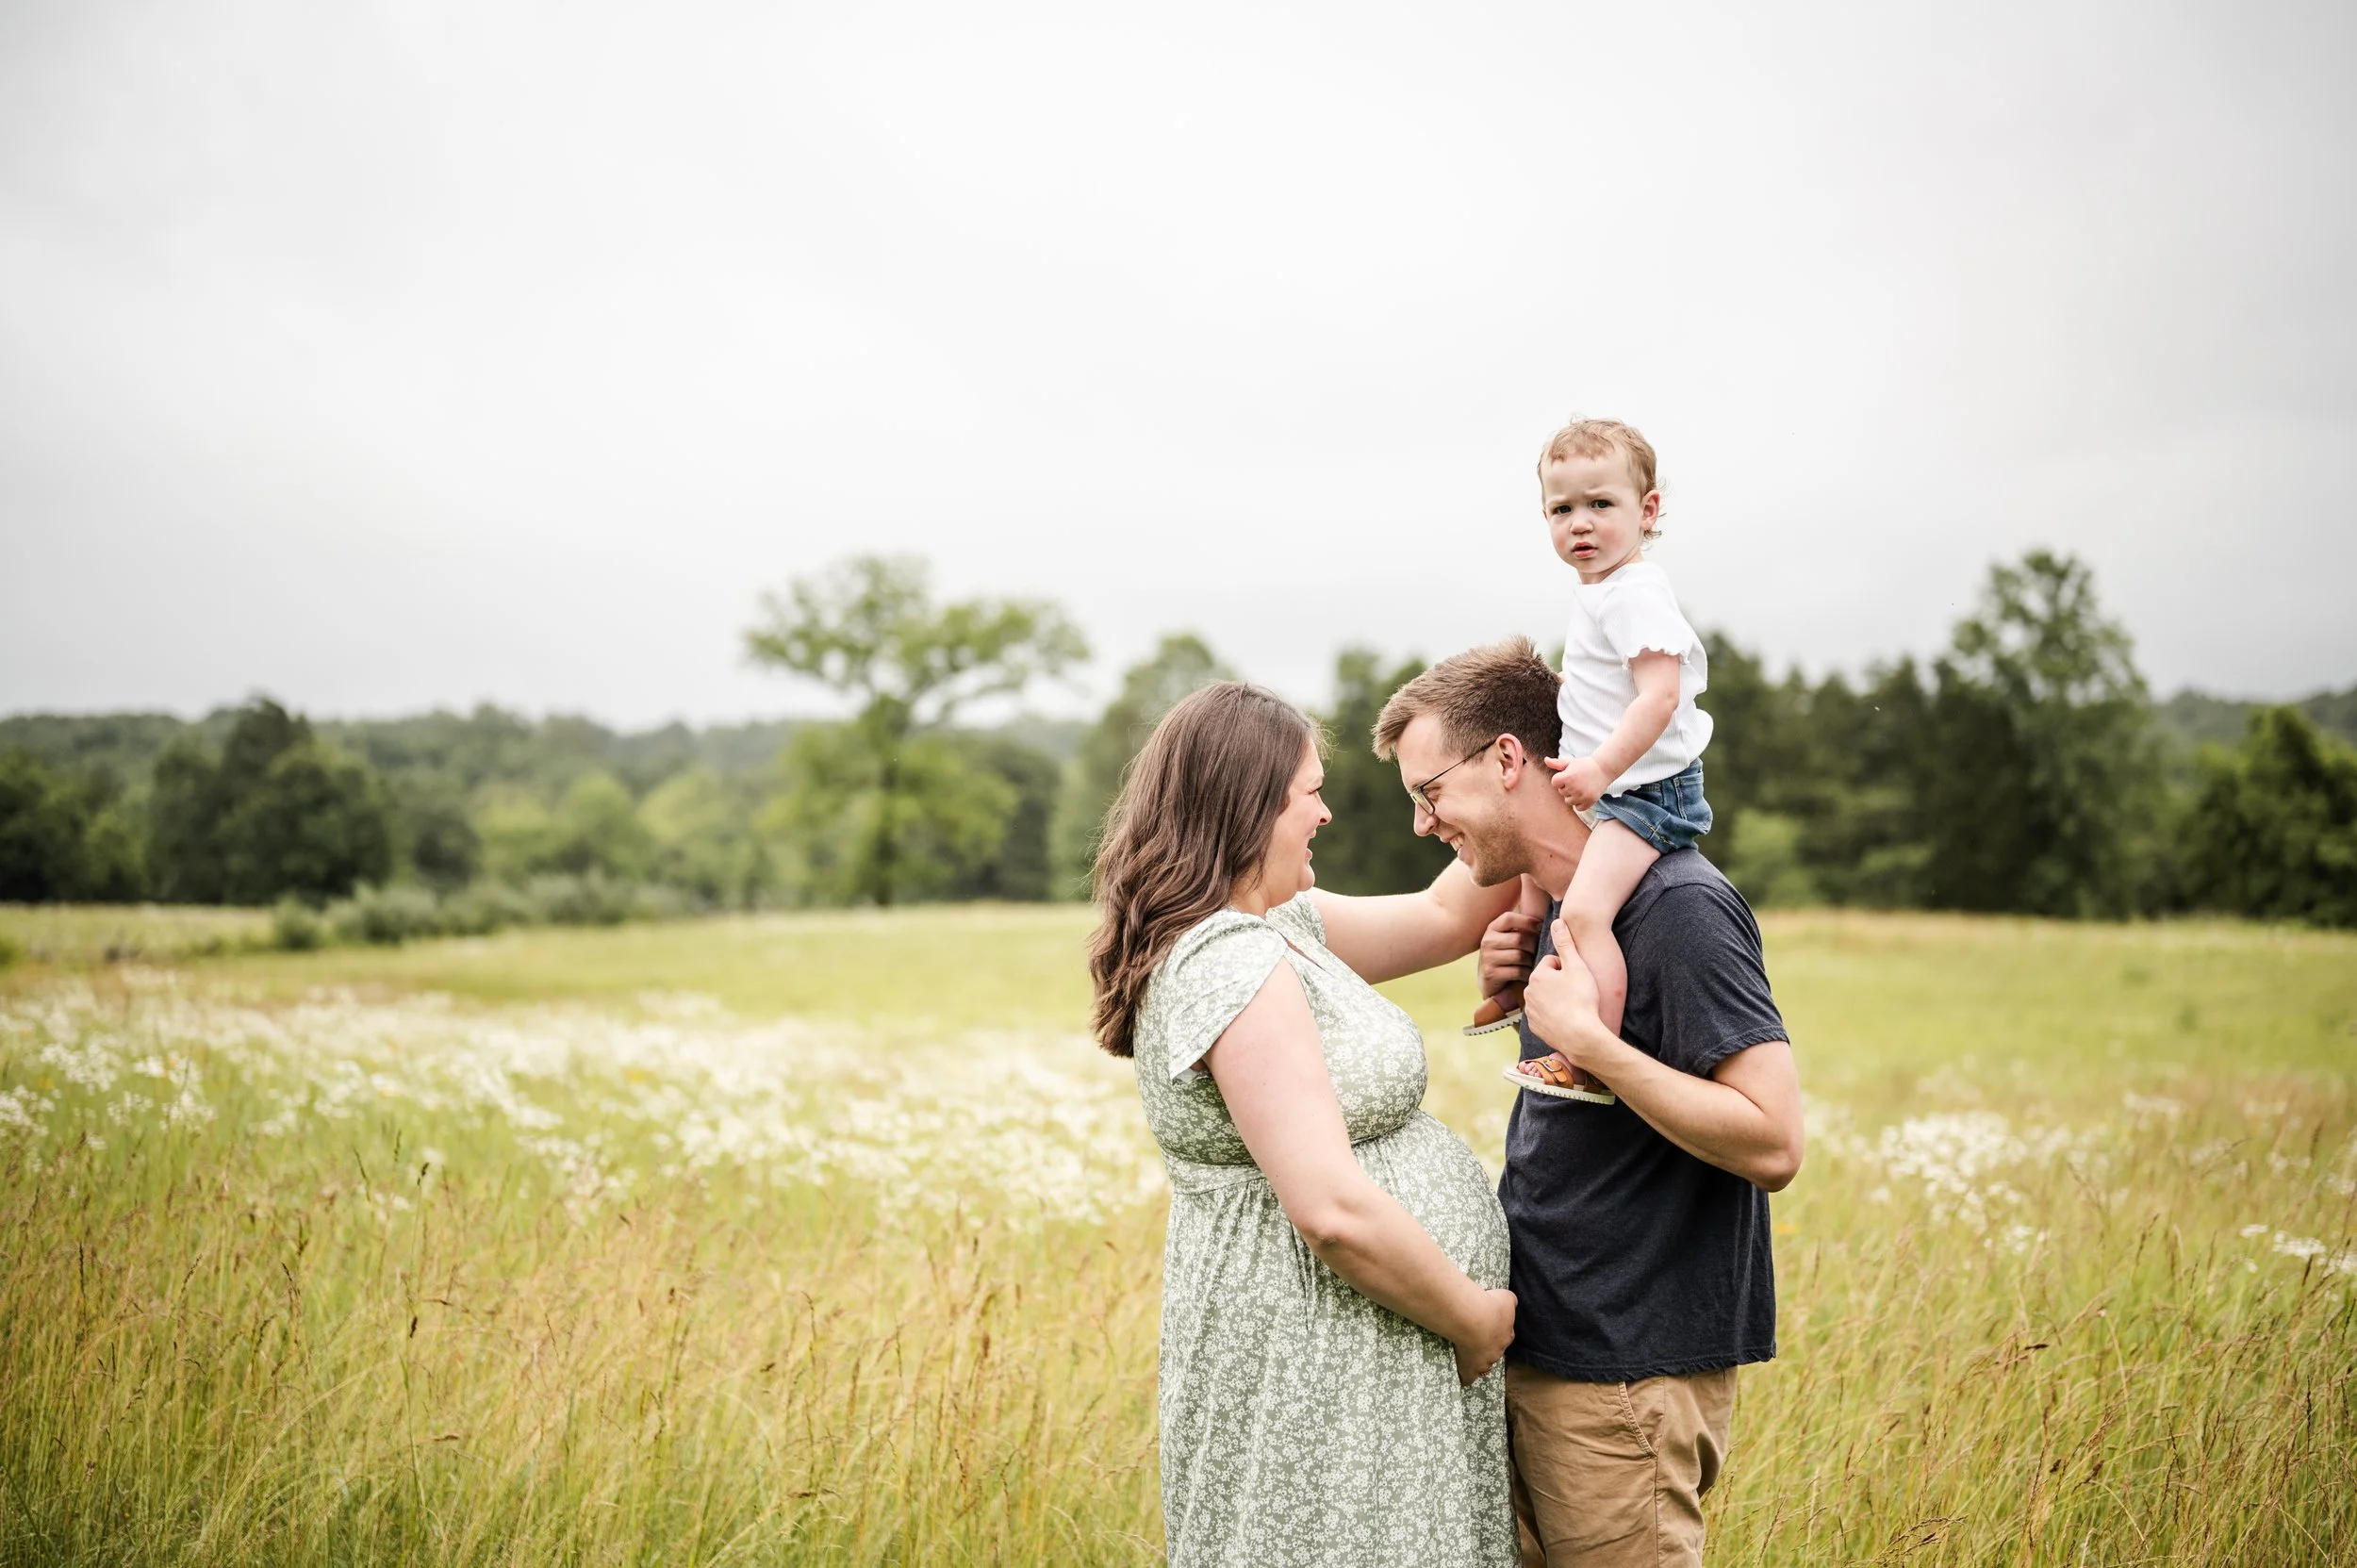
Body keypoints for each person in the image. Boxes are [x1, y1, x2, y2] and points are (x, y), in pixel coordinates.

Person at [1375, 639, 1805, 1568]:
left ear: (1505, 758)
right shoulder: (1560, 909)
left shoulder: (1678, 906)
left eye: (1428, 791)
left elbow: (1773, 1141)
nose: (1422, 823)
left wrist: (1594, 1043)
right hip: (1549, 1349)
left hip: (1625, 1375)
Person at [1089, 681, 1524, 1568]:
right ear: (1248, 808)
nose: (1325, 813)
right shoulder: (1226, 962)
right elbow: (1329, 1207)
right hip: (1318, 1359)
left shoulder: (1276, 923)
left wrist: (1545, 795)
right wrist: (1473, 1318)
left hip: (1360, 1347)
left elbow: (1448, 913)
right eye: (1309, 793)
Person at [1480, 419, 1717, 1105]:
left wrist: (1600, 769)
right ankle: (1516, 992)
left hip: (1647, 796)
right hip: (1619, 786)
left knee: (1582, 914)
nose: (1580, 523)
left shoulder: (1635, 592)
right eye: (1562, 509)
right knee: (1537, 878)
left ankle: (1589, 1054)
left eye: (1601, 504)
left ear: (1647, 511)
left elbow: (1660, 696)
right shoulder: (1605, 589)